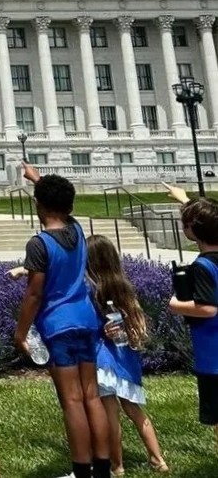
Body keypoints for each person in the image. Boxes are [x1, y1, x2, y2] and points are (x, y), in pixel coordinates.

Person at [15, 164, 110, 478]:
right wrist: (38, 179)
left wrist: (21, 332)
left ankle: (81, 470)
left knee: (71, 401)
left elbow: (34, 294)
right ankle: (102, 468)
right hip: (86, 320)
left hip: (59, 326)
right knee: (92, 395)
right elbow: (57, 200)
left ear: (38, 205)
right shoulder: (78, 229)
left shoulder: (40, 244)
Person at [85, 235, 167, 474]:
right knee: (136, 411)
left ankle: (117, 465)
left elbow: (92, 326)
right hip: (126, 359)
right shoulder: (124, 288)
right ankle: (158, 459)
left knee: (110, 414)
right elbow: (136, 324)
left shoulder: (93, 290)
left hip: (104, 359)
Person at [166, 185, 218, 454]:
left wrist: (176, 304)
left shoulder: (203, 266)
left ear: (192, 231)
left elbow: (209, 309)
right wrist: (185, 199)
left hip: (213, 356)